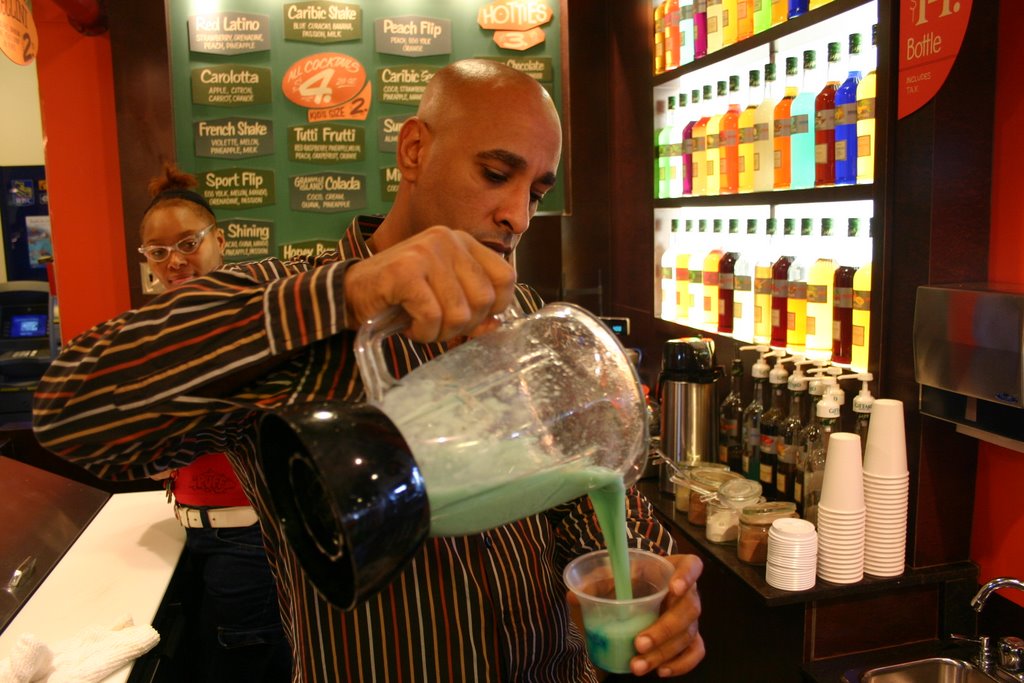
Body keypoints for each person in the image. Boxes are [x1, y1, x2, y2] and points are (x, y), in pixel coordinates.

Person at [34, 59, 704, 681]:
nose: (518, 214)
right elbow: (70, 411)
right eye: (497, 174)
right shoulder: (296, 303)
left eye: (537, 189)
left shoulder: (523, 315)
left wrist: (654, 578)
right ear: (414, 150)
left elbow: (583, 485)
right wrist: (349, 292)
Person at [137, 164, 291, 683]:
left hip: (250, 538)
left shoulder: (255, 318)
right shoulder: (151, 332)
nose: (174, 261)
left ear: (219, 241)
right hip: (185, 536)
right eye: (158, 252)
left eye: (187, 243)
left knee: (243, 665)